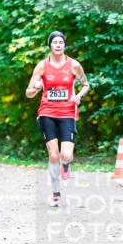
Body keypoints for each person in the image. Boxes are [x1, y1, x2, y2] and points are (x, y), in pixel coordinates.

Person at [25, 31, 91, 207]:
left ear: (64, 45)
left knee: (66, 155)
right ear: (50, 45)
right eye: (55, 42)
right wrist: (37, 88)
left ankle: (66, 165)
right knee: (53, 155)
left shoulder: (74, 65)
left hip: (68, 112)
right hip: (47, 112)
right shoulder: (41, 66)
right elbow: (28, 93)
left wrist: (79, 96)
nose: (58, 45)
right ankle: (56, 194)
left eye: (61, 42)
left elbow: (86, 84)